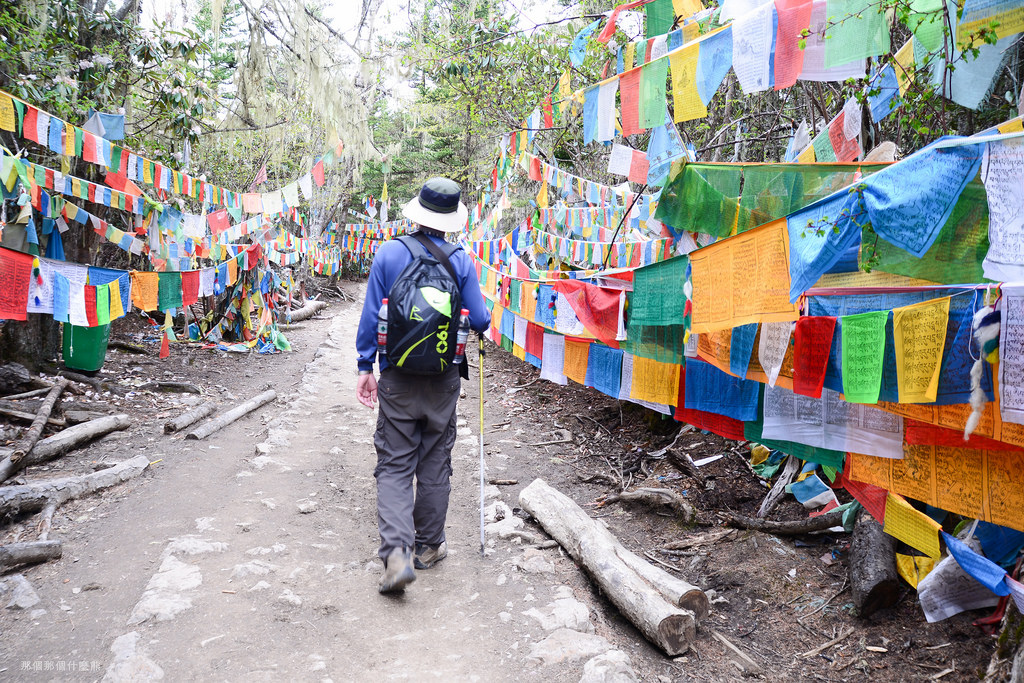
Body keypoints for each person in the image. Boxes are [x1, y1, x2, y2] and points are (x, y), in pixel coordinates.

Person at [355, 177, 491, 594]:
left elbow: (368, 317)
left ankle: (396, 555)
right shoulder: (461, 261)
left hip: (396, 377)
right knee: (434, 460)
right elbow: (481, 320)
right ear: (452, 219)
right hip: (444, 378)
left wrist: (365, 367)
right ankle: (429, 547)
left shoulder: (389, 253)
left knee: (395, 464)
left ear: (417, 211)